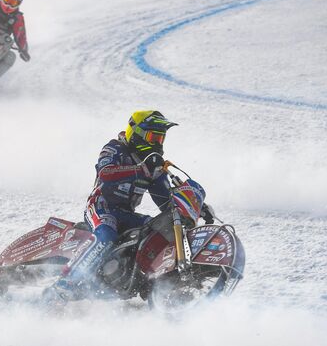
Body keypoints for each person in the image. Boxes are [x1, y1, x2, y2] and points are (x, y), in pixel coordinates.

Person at [44, 110, 215, 303]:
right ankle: (66, 282)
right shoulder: (115, 148)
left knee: (159, 230)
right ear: (137, 133)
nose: (158, 143)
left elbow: (166, 203)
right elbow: (106, 173)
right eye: (153, 137)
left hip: (126, 214)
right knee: (106, 234)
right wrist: (141, 168)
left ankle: (153, 282)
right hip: (102, 208)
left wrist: (197, 206)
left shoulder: (154, 166)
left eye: (161, 138)